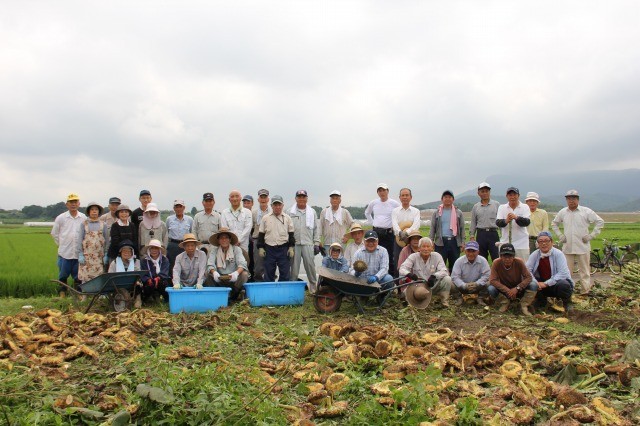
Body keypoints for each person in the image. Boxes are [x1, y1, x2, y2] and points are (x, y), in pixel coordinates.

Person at [551, 189, 604, 295]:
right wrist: (560, 235)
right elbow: (554, 223)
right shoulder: (563, 212)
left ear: (578, 199)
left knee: (584, 271)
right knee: (566, 271)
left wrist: (591, 236)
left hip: (582, 246)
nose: (571, 201)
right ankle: (568, 291)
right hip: (567, 246)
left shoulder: (586, 211)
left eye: (574, 198)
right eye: (569, 199)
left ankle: (585, 291)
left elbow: (600, 221)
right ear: (566, 200)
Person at [526, 231, 574, 314]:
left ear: (551, 242)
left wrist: (546, 283)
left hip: (555, 284)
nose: (544, 244)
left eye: (546, 241)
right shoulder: (535, 254)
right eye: (541, 241)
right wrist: (535, 282)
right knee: (530, 283)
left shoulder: (558, 254)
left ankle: (567, 303)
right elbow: (527, 271)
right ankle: (541, 303)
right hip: (541, 285)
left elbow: (563, 273)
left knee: (564, 284)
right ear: (538, 244)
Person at [399, 237, 454, 307]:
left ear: (432, 248)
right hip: (418, 286)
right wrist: (409, 274)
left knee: (447, 279)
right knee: (406, 297)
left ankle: (444, 302)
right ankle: (413, 301)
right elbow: (402, 268)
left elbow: (444, 270)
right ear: (419, 248)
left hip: (432, 285)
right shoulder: (413, 256)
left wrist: (434, 276)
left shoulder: (437, 256)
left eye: (428, 246)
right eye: (423, 246)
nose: (426, 249)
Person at [51, 193, 87, 297]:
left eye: (75, 202)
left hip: (78, 253)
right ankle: (62, 294)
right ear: (67, 204)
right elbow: (54, 233)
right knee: (63, 275)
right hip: (64, 253)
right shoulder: (61, 218)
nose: (73, 204)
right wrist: (61, 245)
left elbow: (86, 233)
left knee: (78, 276)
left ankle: (78, 295)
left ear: (79, 204)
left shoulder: (83, 218)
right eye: (71, 202)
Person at [488, 243, 538, 316]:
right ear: (500, 256)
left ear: (514, 256)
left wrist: (517, 288)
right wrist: (507, 290)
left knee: (533, 284)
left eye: (510, 256)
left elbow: (528, 277)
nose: (507, 259)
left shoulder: (519, 262)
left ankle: (523, 305)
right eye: (505, 256)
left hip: (518, 289)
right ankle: (504, 302)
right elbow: (492, 280)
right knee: (491, 288)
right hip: (504, 291)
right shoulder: (496, 263)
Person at [364, 183, 400, 277]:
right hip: (376, 232)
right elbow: (367, 213)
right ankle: (375, 275)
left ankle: (391, 279)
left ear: (387, 191)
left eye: (384, 190)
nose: (382, 192)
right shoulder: (374, 202)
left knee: (389, 255)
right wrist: (373, 223)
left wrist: (394, 225)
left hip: (389, 233)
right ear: (377, 192)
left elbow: (399, 215)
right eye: (380, 190)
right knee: (374, 253)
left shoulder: (394, 203)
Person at [257, 195, 295, 282]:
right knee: (269, 273)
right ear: (271, 206)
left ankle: (283, 292)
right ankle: (269, 293)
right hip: (269, 249)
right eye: (275, 205)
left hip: (283, 249)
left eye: (279, 205)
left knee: (285, 273)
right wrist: (261, 247)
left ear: (282, 205)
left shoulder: (287, 218)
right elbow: (261, 235)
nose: (277, 207)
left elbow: (291, 235)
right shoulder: (265, 218)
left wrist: (291, 247)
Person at [289, 190, 321, 293]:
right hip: (295, 244)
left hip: (308, 243)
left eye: (303, 197)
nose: (301, 199)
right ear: (296, 198)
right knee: (294, 269)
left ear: (307, 198)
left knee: (310, 267)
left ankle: (313, 288)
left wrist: (316, 243)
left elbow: (316, 228)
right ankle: (293, 289)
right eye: (299, 197)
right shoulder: (290, 211)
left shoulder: (312, 212)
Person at [205, 228, 249, 302]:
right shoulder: (214, 250)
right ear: (218, 240)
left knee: (244, 274)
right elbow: (210, 264)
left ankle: (233, 295)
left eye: (226, 238)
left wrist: (236, 273)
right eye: (221, 238)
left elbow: (243, 264)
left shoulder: (236, 249)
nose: (224, 240)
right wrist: (214, 273)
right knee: (207, 274)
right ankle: (216, 295)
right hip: (219, 278)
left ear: (230, 240)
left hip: (233, 278)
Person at [430, 190, 465, 272]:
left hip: (454, 242)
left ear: (453, 199)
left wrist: (463, 242)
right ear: (442, 199)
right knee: (439, 265)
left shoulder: (458, 212)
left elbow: (462, 228)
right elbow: (433, 227)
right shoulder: (437, 212)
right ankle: (440, 283)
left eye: (450, 197)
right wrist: (431, 240)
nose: (447, 199)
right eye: (445, 197)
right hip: (440, 242)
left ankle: (454, 283)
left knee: (455, 265)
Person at [450, 241, 491, 306]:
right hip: (462, 287)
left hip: (478, 286)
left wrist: (477, 283)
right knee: (450, 282)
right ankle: (458, 298)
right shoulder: (459, 261)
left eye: (473, 251)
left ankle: (481, 298)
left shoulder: (483, 260)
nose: (471, 254)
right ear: (465, 251)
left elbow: (486, 275)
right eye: (468, 251)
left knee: (489, 281)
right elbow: (455, 277)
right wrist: (464, 285)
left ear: (478, 252)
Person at [77, 201, 109, 283]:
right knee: (85, 276)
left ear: (99, 212)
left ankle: (98, 294)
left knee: (99, 275)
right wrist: (80, 254)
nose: (94, 211)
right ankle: (85, 293)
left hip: (99, 256)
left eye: (96, 209)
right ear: (89, 212)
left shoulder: (103, 224)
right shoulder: (84, 224)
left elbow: (107, 240)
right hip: (86, 255)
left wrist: (106, 254)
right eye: (92, 209)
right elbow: (80, 239)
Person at [391, 188, 421, 275]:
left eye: (407, 195)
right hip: (398, 240)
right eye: (403, 195)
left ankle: (413, 281)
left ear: (411, 197)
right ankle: (398, 285)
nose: (405, 197)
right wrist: (400, 233)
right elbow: (394, 224)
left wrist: (407, 233)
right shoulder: (395, 211)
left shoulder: (416, 211)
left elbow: (416, 225)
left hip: (412, 240)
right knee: (397, 261)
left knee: (413, 260)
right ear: (399, 198)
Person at [496, 187, 531, 261]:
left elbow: (526, 222)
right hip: (505, 243)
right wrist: (506, 220)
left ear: (518, 195)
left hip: (522, 244)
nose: (512, 197)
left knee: (523, 266)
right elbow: (498, 223)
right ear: (507, 196)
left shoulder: (525, 207)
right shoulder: (502, 207)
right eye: (510, 195)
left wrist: (516, 218)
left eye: (514, 195)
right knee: (505, 267)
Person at [469, 182, 500, 261]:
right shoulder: (476, 207)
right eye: (482, 191)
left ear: (489, 192)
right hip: (481, 234)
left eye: (487, 191)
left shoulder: (496, 204)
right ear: (478, 193)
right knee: (481, 258)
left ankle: (496, 273)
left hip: (493, 234)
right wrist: (472, 235)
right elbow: (473, 222)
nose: (485, 193)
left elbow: (500, 221)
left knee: (496, 256)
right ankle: (483, 273)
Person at [165, 199, 193, 274]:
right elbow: (166, 232)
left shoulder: (189, 219)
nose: (178, 209)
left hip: (185, 245)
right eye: (176, 207)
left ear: (183, 208)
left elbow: (191, 232)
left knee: (185, 265)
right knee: (172, 265)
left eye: (180, 207)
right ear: (174, 208)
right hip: (173, 245)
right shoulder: (169, 219)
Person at [220, 190, 253, 254]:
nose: (235, 199)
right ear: (229, 199)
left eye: (237, 196)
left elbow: (248, 228)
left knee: (243, 262)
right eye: (232, 197)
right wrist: (232, 241)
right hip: (229, 244)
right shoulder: (224, 212)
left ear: (240, 198)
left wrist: (239, 240)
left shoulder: (247, 212)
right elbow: (224, 228)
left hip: (243, 245)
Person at [140, 239, 171, 304]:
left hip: (161, 281)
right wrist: (148, 279)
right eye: (152, 248)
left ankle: (166, 299)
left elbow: (165, 272)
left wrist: (158, 278)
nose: (154, 250)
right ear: (149, 249)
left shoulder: (165, 260)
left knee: (163, 283)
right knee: (147, 286)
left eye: (156, 248)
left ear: (159, 250)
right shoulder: (144, 260)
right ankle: (147, 299)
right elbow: (143, 273)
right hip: (149, 282)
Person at [251, 189, 272, 282]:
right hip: (257, 240)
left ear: (268, 199)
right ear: (258, 199)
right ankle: (258, 283)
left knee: (270, 264)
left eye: (265, 197)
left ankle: (270, 283)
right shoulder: (253, 213)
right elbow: (250, 228)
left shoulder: (272, 211)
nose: (263, 199)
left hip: (270, 240)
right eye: (261, 197)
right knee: (258, 266)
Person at [242, 194, 255, 281]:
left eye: (248, 203)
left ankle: (253, 278)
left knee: (253, 262)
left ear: (252, 203)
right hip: (244, 241)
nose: (246, 205)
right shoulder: (241, 213)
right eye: (245, 203)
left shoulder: (255, 214)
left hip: (253, 241)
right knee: (245, 260)